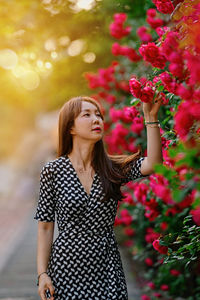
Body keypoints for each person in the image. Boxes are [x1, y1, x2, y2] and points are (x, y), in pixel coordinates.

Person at [34, 95, 162, 300]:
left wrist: (150, 117)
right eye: (87, 115)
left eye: (98, 115)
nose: (97, 120)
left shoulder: (112, 168)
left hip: (106, 268)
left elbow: (154, 164)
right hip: (66, 269)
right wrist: (42, 274)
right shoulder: (53, 170)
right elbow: (45, 226)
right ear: (71, 127)